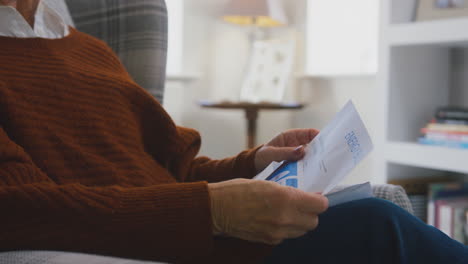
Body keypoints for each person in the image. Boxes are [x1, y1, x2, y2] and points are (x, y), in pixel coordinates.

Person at [0, 1, 467, 264]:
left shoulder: (91, 51)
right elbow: (20, 205)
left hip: (190, 224)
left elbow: (173, 168)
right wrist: (213, 213)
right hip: (160, 241)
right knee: (376, 225)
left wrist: (255, 161)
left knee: (371, 211)